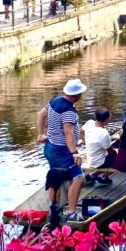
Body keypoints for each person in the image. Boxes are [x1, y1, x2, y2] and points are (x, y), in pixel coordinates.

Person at [36, 78, 86, 220]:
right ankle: (71, 212)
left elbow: (40, 114)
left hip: (50, 147)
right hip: (63, 150)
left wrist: (40, 133)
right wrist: (74, 153)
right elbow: (68, 132)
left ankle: (55, 209)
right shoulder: (68, 110)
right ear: (77, 95)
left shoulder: (55, 101)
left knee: (55, 177)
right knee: (79, 178)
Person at [83, 107, 117, 185]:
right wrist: (116, 153)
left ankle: (93, 175)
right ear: (107, 119)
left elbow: (81, 131)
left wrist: (86, 142)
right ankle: (104, 177)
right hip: (99, 162)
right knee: (119, 160)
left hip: (90, 157)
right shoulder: (104, 133)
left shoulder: (89, 123)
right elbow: (111, 151)